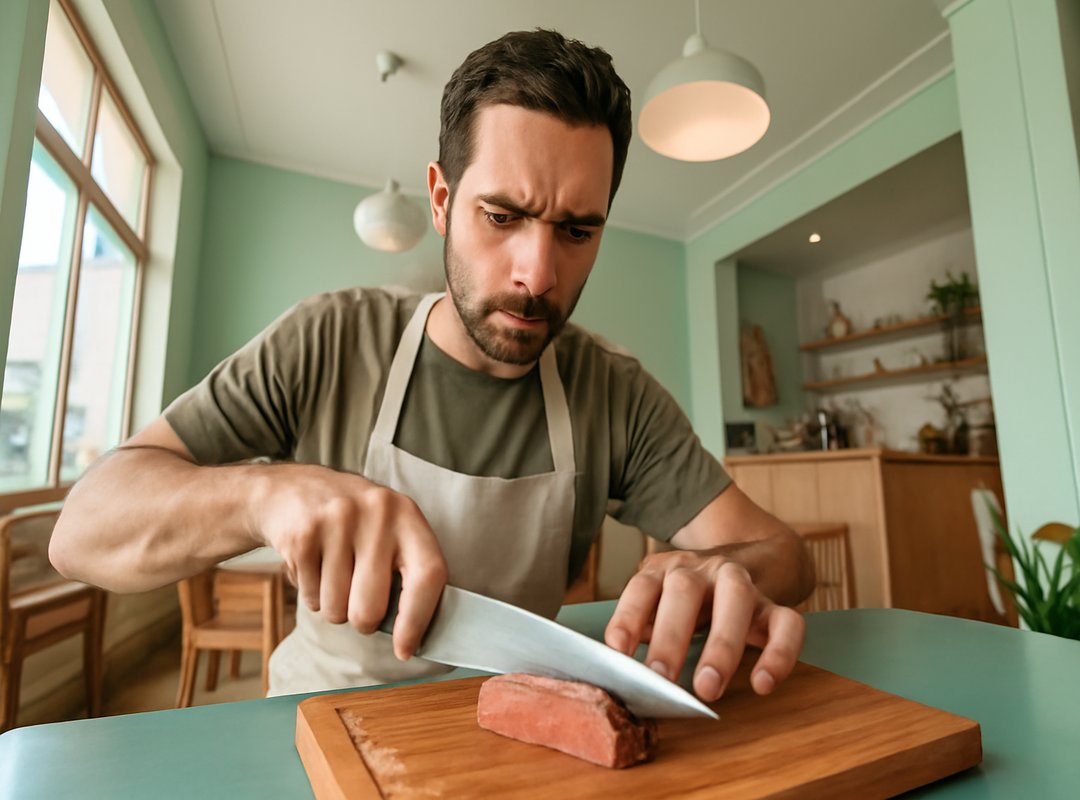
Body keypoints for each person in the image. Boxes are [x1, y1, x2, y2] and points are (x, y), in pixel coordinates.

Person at [50, 29, 813, 703]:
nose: (538, 273)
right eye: (501, 217)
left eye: (577, 230)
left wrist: (723, 572)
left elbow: (787, 553)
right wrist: (263, 494)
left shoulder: (614, 394)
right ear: (443, 201)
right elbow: (81, 531)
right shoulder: (330, 340)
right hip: (315, 719)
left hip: (510, 731)